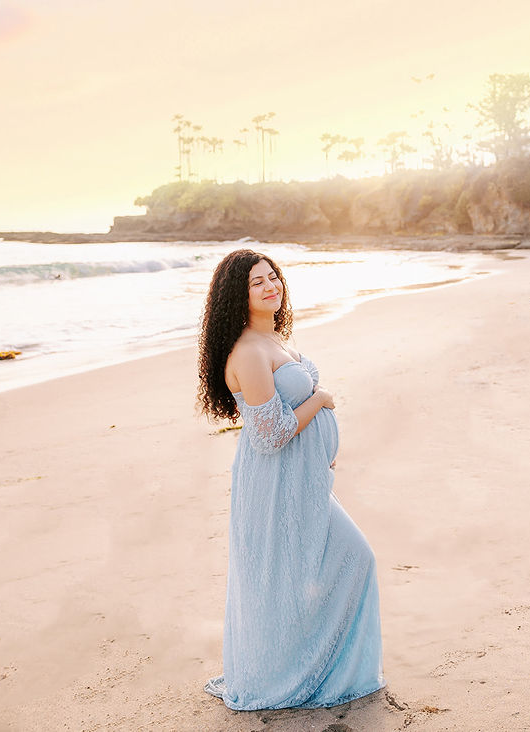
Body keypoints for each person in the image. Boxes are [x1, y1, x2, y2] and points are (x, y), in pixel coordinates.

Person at [199, 249, 385, 710]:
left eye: (272, 277)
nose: (270, 287)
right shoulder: (247, 351)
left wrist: (320, 455)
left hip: (303, 479)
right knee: (295, 576)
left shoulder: (277, 339)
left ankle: (329, 668)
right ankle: (292, 675)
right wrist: (319, 399)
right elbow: (271, 434)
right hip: (275, 484)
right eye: (256, 283)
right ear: (235, 297)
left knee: (327, 566)